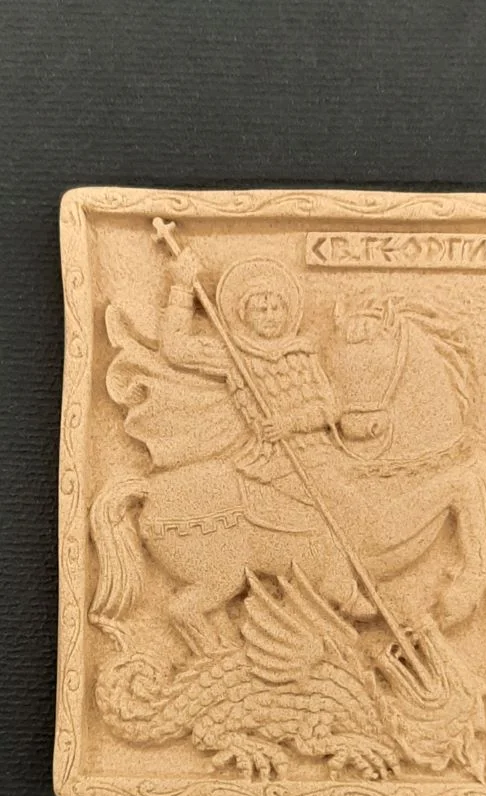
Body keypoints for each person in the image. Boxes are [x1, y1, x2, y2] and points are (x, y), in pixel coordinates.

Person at [158, 247, 374, 620]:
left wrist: (292, 421)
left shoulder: (302, 353)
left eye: (276, 308)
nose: (271, 316)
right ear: (244, 315)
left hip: (322, 448)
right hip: (275, 457)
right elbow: (175, 349)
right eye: (261, 309)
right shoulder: (233, 354)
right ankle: (338, 587)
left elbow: (330, 406)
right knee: (335, 504)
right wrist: (182, 288)